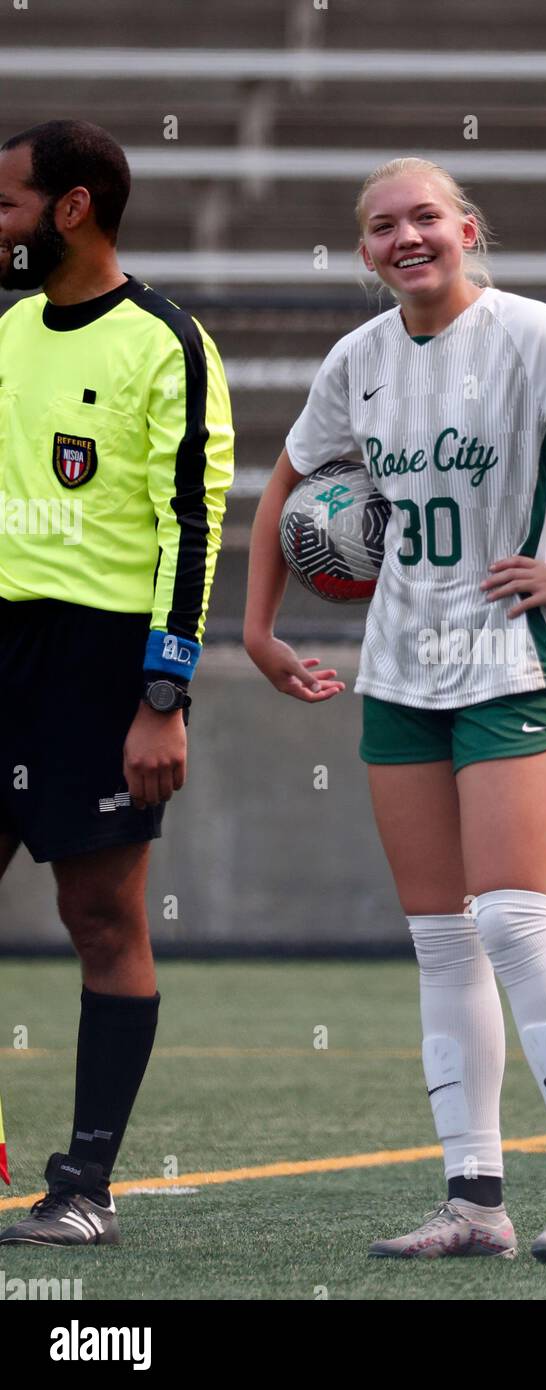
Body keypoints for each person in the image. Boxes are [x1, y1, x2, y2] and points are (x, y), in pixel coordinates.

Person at [244, 156, 546, 1262]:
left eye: (425, 218)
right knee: (442, 940)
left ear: (466, 227)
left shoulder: (534, 334)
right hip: (399, 671)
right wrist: (256, 631)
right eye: (382, 226)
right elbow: (284, 490)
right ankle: (475, 1201)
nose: (406, 237)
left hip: (513, 663)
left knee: (509, 918)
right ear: (364, 250)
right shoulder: (357, 360)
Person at [0, 120, 234, 1245]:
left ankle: (82, 1187)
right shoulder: (3, 330)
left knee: (101, 915)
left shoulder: (166, 340)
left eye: (6, 205)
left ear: (72, 207)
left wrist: (164, 694)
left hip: (98, 668)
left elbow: (193, 526)